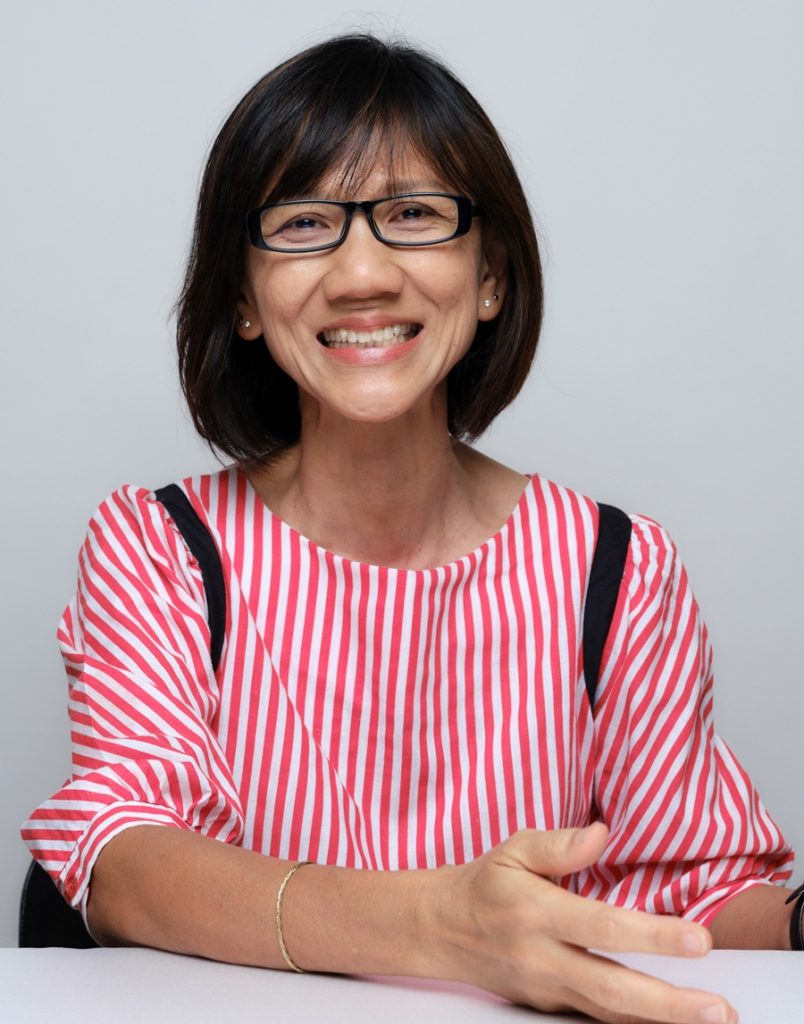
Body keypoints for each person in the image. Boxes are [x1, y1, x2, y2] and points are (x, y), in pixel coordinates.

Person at [22, 33, 800, 1024]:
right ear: (244, 298)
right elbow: (124, 865)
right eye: (304, 222)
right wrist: (438, 924)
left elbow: (696, 897)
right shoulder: (159, 549)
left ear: (490, 276)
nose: (362, 273)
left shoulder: (618, 569)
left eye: (414, 215)